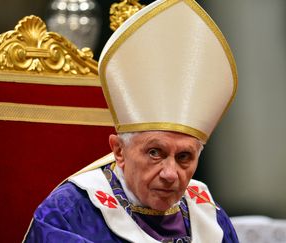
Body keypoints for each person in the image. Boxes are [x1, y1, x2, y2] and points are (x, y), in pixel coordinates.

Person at [24, 0, 239, 242]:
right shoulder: (70, 213)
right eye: (155, 152)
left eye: (184, 157)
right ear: (119, 150)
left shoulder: (210, 218)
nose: (170, 174)